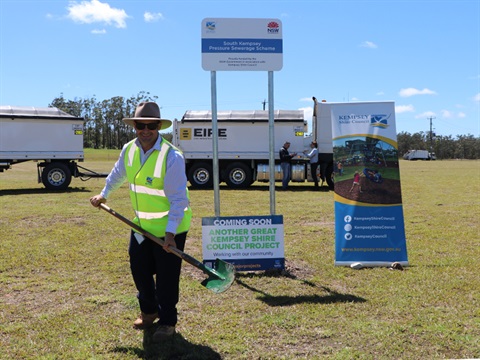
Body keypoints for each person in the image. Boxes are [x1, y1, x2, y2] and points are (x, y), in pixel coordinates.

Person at [89, 102, 192, 342]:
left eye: (152, 125)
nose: (146, 130)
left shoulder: (172, 156)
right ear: (134, 126)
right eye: (141, 125)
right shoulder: (129, 149)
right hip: (141, 227)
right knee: (140, 270)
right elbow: (118, 173)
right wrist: (104, 194)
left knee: (166, 279)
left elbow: (179, 199)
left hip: (170, 229)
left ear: (159, 126)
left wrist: (170, 235)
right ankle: (149, 312)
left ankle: (167, 322)